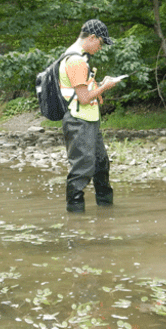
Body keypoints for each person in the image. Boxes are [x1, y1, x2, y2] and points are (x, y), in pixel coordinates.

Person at [60, 19, 119, 213]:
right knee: (81, 171)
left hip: (88, 122)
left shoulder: (80, 58)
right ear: (92, 37)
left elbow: (82, 91)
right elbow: (84, 98)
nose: (100, 48)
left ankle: (106, 211)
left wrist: (98, 87)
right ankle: (75, 223)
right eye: (101, 43)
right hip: (79, 123)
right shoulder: (76, 60)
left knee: (101, 165)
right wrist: (106, 86)